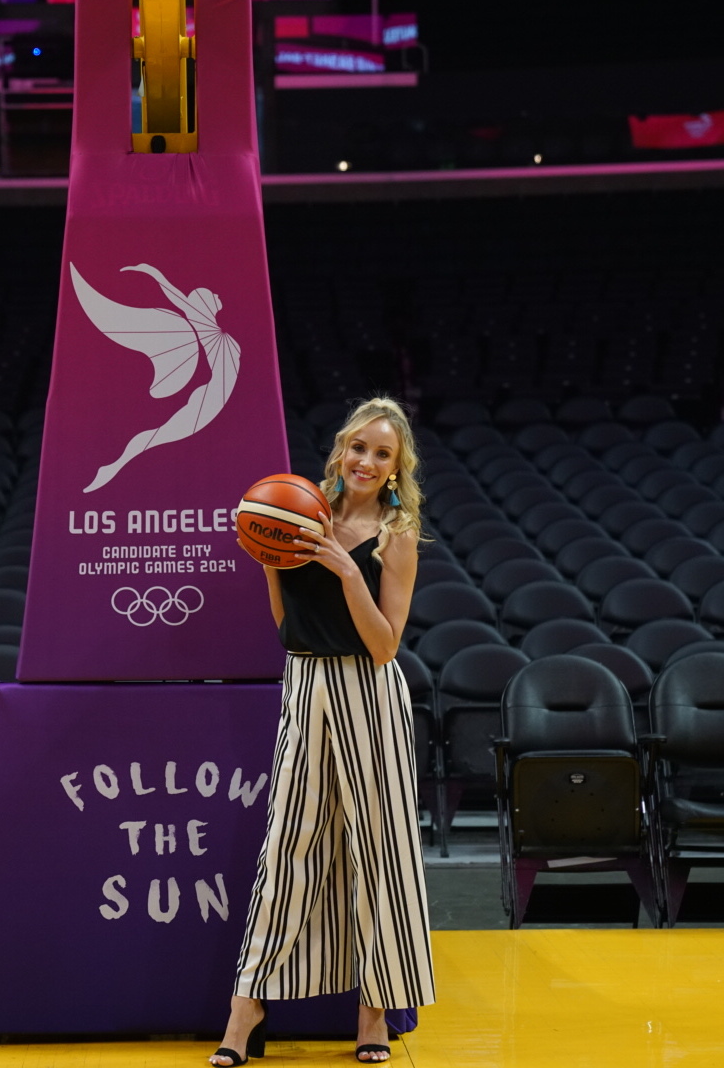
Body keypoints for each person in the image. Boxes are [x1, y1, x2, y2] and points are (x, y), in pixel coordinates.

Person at [211, 396, 435, 1066]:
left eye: (382, 453)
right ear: (341, 450)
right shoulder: (296, 512)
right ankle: (244, 1013)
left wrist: (344, 569)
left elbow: (385, 644)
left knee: (381, 851)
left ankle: (374, 1015)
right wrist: (268, 552)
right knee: (289, 845)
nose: (366, 461)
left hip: (369, 690)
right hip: (306, 685)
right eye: (358, 447)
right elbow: (284, 626)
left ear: (397, 468)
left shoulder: (397, 537)